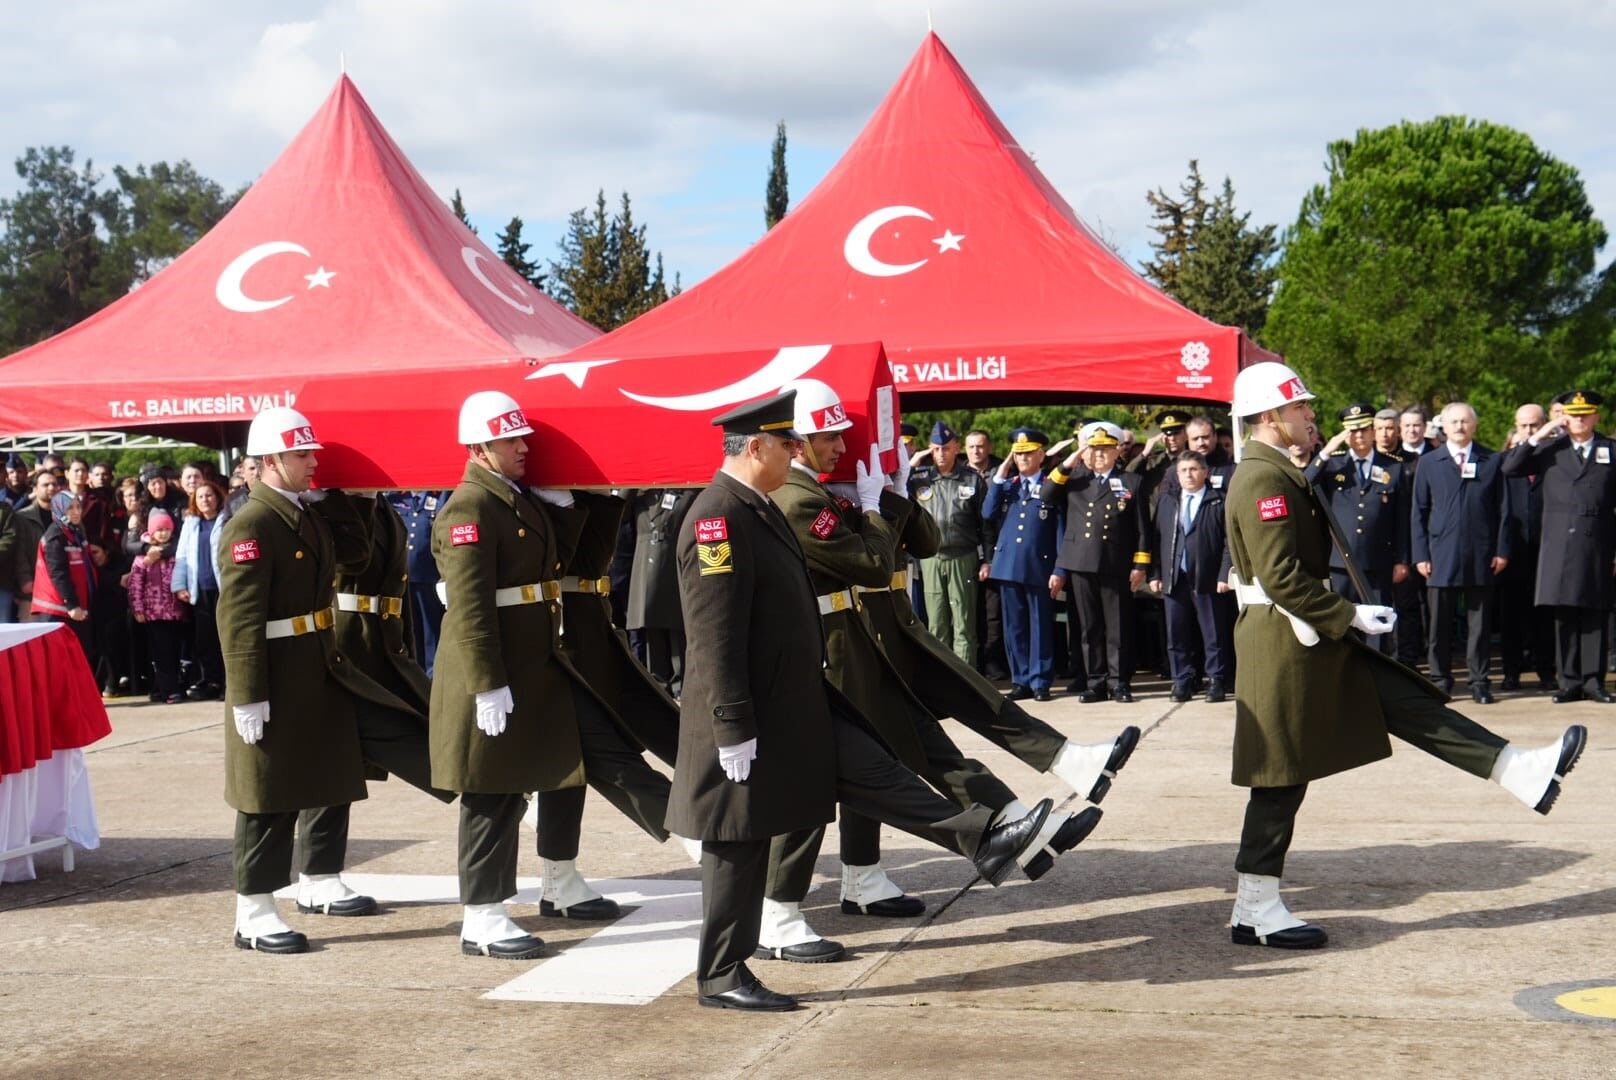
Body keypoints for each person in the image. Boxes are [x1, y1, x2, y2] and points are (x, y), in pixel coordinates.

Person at [668, 389, 1053, 1012]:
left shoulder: (757, 507)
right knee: (737, 840)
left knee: (881, 773)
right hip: (752, 715)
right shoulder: (718, 517)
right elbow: (714, 635)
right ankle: (722, 975)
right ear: (756, 446)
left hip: (800, 701)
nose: (797, 453)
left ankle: (987, 841)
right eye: (789, 443)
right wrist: (731, 724)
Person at [1222, 361, 1585, 950]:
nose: (1310, 413)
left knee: (1407, 701)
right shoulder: (1261, 477)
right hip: (1285, 641)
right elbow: (1281, 576)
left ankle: (1519, 770)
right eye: (1299, 406)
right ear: (1268, 416)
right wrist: (1349, 614)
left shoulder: (1276, 468)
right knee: (1280, 774)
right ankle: (1255, 908)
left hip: (1305, 635)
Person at [760, 383, 1100, 963]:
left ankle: (869, 874)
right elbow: (871, 564)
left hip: (862, 642)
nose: (840, 446)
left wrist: (887, 496)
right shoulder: (797, 498)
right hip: (825, 655)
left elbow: (923, 542)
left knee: (878, 763)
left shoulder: (821, 490)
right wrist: (872, 506)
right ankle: (778, 912)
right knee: (824, 781)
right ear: (798, 443)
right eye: (829, 437)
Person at [220, 405, 448, 955]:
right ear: (270, 460)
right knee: (268, 790)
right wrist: (248, 694)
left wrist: (344, 500)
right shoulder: (251, 525)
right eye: (300, 454)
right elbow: (240, 619)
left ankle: (319, 877)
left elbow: (355, 555)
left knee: (328, 769)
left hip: (323, 663)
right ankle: (254, 912)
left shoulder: (304, 513)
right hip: (277, 674)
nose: (312, 461)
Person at [430, 391, 600, 959]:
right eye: (510, 439)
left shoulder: (509, 499)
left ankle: (530, 894)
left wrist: (562, 508)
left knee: (522, 783)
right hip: (489, 671)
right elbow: (471, 606)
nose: (523, 447)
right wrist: (487, 683)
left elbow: (548, 570)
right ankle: (481, 916)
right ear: (480, 448)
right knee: (490, 792)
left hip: (525, 665)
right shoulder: (470, 508)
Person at [535, 489, 691, 919]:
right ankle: (708, 838)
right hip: (558, 642)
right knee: (596, 758)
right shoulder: (523, 502)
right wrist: (566, 506)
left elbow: (594, 562)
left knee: (676, 736)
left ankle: (559, 879)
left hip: (594, 634)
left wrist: (598, 495)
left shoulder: (579, 497)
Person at [1501, 390, 1616, 702]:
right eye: (1573, 414)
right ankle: (1569, 681)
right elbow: (1510, 468)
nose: (1579, 420)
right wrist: (1541, 433)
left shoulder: (1610, 450)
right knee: (1564, 615)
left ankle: (1593, 682)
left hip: (1597, 542)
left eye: (1585, 414)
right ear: (1564, 417)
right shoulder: (1551, 448)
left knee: (1595, 614)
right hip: (1560, 544)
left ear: (1596, 416)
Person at [1411, 402, 1511, 703]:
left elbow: (1504, 510)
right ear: (1444, 426)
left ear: (1474, 425)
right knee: (1439, 625)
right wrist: (1420, 554)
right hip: (1440, 554)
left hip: (1481, 554)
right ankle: (1440, 680)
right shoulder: (1429, 462)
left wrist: (1501, 550)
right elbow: (1419, 511)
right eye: (1453, 422)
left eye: (1465, 421)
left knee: (1479, 626)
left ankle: (1480, 682)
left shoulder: (1491, 460)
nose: (1459, 426)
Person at [1046, 422, 1150, 702]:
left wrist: (1140, 565)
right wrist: (1073, 457)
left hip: (1115, 563)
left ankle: (1119, 682)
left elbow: (1142, 528)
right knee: (1088, 627)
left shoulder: (1131, 481)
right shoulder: (1076, 479)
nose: (1099, 454)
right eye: (1094, 449)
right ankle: (1095, 682)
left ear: (1117, 451)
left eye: (1105, 449)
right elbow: (1046, 494)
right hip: (1081, 562)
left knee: (1117, 627)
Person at [1304, 403, 1409, 654]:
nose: (1359, 435)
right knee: (1341, 624)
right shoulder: (1333, 465)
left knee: (1378, 624)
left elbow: (1401, 518)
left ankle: (1378, 673)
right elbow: (1304, 484)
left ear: (1373, 431)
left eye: (1363, 429)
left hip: (1377, 560)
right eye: (1352, 431)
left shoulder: (1393, 467)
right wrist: (1325, 452)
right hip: (1340, 562)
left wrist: (1401, 559)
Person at [1148, 451, 1235, 702]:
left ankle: (1216, 680)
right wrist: (1156, 573)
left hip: (1208, 578)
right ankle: (1182, 681)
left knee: (1214, 633)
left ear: (1205, 472)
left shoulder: (1218, 500)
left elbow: (1229, 543)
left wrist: (1224, 574)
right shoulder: (1168, 502)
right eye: (1184, 470)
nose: (1189, 475)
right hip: (1175, 577)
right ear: (1177, 474)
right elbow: (1157, 539)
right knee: (1177, 633)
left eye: (1194, 469)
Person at [983, 428, 1063, 699]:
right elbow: (987, 512)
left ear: (1041, 455)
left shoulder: (1052, 486)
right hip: (1008, 566)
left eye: (1028, 453)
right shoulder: (1008, 486)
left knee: (1040, 626)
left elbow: (1060, 530)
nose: (1023, 458)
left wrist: (1059, 569)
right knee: (1014, 627)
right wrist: (1001, 473)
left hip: (1039, 566)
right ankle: (1021, 680)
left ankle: (1040, 681)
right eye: (1018, 454)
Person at [908, 421, 986, 666]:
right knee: (936, 623)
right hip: (931, 558)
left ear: (956, 448)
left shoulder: (971, 480)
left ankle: (968, 678)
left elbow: (984, 524)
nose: (941, 453)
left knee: (964, 622)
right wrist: (910, 466)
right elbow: (896, 492)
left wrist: (987, 559)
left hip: (963, 556)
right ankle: (943, 678)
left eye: (946, 448)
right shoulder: (918, 478)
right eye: (936, 449)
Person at [1498, 403, 1555, 690]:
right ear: (1516, 427)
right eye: (1524, 426)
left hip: (1547, 551)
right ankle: (1511, 672)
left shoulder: (1554, 459)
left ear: (1544, 425)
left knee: (1544, 616)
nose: (1529, 430)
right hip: (1512, 551)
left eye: (1535, 425)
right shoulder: (1505, 461)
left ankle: (1547, 671)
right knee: (1511, 617)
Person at [625, 487, 698, 696]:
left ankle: (682, 687)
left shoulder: (689, 494)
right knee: (652, 635)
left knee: (677, 632)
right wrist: (631, 482)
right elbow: (618, 509)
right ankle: (660, 687)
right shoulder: (641, 497)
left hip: (673, 570)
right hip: (644, 573)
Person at [173, 478, 230, 700]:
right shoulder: (191, 524)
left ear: (217, 497)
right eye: (200, 497)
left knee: (225, 637)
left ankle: (228, 684)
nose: (205, 500)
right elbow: (182, 556)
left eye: (209, 495)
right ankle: (212, 681)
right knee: (205, 641)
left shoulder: (227, 520)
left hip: (222, 589)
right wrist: (179, 585)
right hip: (200, 590)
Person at [385, 489, 450, 675]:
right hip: (402, 579)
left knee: (431, 632)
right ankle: (415, 673)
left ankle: (432, 676)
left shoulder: (441, 496)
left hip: (428, 578)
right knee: (408, 630)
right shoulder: (395, 497)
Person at [127, 509, 187, 704]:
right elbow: (135, 585)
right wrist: (138, 609)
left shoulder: (175, 552)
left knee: (174, 652)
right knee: (162, 654)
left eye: (167, 529)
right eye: (159, 529)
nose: (163, 533)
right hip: (154, 614)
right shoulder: (143, 557)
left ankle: (161, 689)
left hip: (175, 612)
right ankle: (170, 691)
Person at [964, 429, 1008, 679]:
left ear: (989, 447)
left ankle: (993, 662)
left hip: (996, 549)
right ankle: (974, 661)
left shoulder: (1003, 471)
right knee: (968, 611)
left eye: (980, 446)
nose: (976, 451)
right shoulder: (959, 474)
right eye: (971, 447)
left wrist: (989, 558)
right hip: (968, 550)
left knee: (994, 612)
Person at [32, 491, 95, 660]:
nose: (76, 512)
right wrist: (72, 604)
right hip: (59, 610)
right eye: (70, 508)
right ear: (59, 509)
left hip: (75, 608)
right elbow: (58, 573)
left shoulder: (74, 532)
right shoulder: (55, 536)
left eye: (78, 507)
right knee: (62, 659)